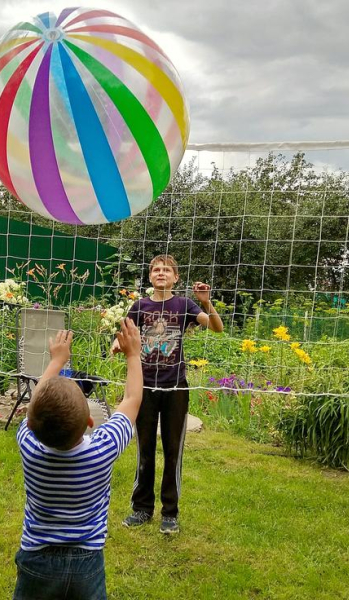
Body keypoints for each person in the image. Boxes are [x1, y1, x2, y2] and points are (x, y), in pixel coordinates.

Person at [13, 319, 142, 600]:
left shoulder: (29, 445)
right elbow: (132, 399)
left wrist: (56, 360)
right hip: (87, 560)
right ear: (89, 421)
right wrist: (133, 355)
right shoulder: (103, 449)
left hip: (36, 558)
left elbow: (36, 405)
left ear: (32, 423)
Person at [112, 254, 224, 534]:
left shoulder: (184, 304)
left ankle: (170, 514)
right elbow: (124, 332)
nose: (161, 273)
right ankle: (141, 509)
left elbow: (216, 327)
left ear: (176, 278)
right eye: (156, 270)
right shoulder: (140, 306)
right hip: (145, 388)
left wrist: (206, 301)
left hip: (175, 387)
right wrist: (116, 343)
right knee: (145, 450)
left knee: (173, 451)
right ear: (150, 277)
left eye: (167, 270)